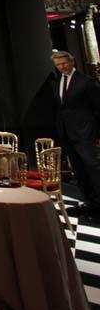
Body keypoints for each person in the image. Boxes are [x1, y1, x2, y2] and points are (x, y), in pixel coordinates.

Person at [51, 51, 100, 216]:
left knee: (92, 167)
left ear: (71, 62)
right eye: (58, 65)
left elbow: (97, 108)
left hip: (85, 132)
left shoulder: (86, 82)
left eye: (64, 63)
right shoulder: (57, 82)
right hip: (67, 133)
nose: (61, 67)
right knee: (78, 170)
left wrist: (95, 132)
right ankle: (90, 202)